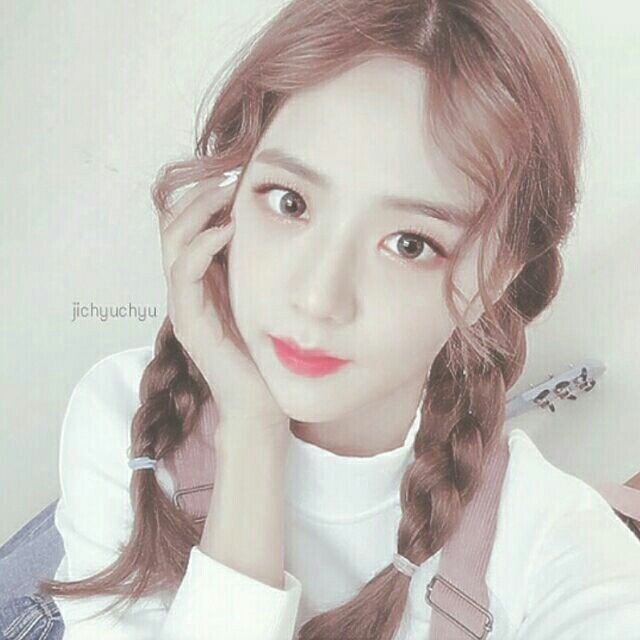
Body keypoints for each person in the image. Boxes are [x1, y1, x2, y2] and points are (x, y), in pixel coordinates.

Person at [2, 0, 640, 638]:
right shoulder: (125, 416)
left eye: (410, 244)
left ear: (494, 278)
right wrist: (251, 431)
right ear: (228, 191)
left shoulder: (561, 552)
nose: (317, 297)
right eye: (290, 201)